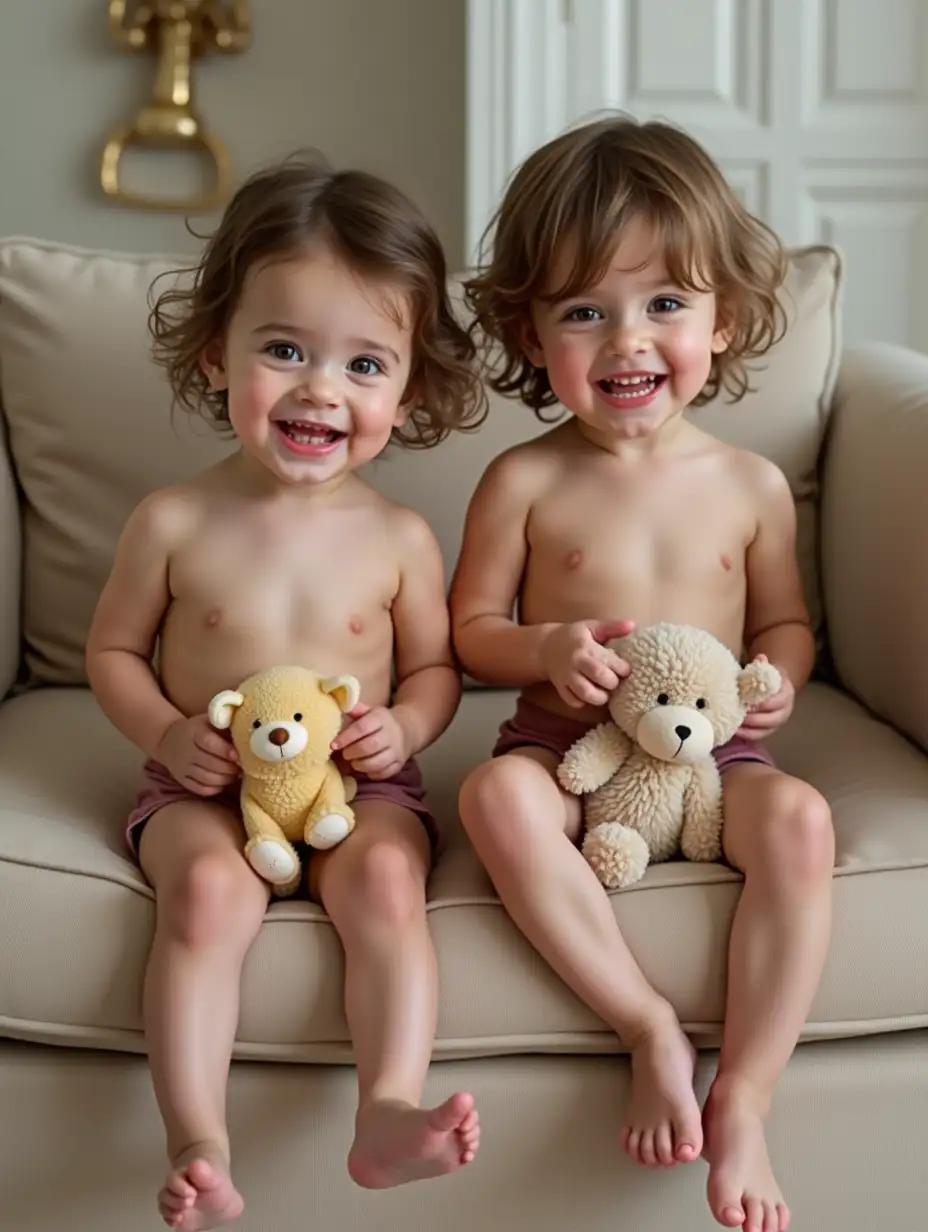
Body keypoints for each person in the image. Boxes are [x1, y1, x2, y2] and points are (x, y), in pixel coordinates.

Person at [86, 155, 485, 1231]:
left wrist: (401, 725)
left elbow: (441, 669)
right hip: (206, 793)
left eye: (365, 363)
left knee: (389, 891)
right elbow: (112, 653)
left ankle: (386, 1106)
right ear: (216, 355)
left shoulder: (399, 539)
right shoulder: (171, 520)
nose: (321, 388)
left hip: (355, 792)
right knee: (209, 898)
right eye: (285, 350)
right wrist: (168, 733)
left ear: (406, 393)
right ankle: (199, 1143)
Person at [452, 116, 833, 1232]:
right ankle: (646, 1026)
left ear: (724, 319)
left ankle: (747, 1096)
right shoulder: (521, 478)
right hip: (566, 755)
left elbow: (788, 621)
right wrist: (543, 649)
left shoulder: (752, 483)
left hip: (720, 760)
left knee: (803, 825)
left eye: (665, 302)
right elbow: (472, 626)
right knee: (488, 796)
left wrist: (778, 680)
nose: (627, 339)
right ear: (531, 331)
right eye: (585, 310)